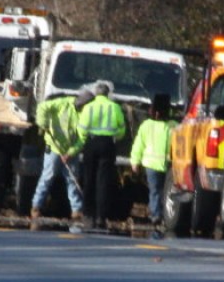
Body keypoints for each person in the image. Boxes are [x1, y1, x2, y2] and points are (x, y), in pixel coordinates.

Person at [30, 87, 95, 231]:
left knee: (72, 179)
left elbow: (82, 139)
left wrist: (70, 152)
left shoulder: (86, 115)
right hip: (54, 147)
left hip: (71, 151)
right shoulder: (63, 103)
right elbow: (42, 107)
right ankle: (36, 207)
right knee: (47, 177)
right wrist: (43, 123)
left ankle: (77, 211)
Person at [77, 80, 126, 230]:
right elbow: (122, 130)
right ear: (107, 94)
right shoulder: (115, 107)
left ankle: (87, 216)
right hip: (108, 144)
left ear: (96, 94)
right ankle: (101, 217)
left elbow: (81, 128)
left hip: (91, 143)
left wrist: (85, 140)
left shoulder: (88, 107)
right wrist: (114, 137)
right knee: (103, 182)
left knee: (89, 180)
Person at [130, 94, 175, 234]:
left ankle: (157, 215)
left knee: (156, 191)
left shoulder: (146, 126)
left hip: (152, 165)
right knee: (163, 192)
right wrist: (135, 160)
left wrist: (135, 162)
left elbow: (138, 145)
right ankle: (158, 215)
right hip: (167, 165)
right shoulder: (173, 126)